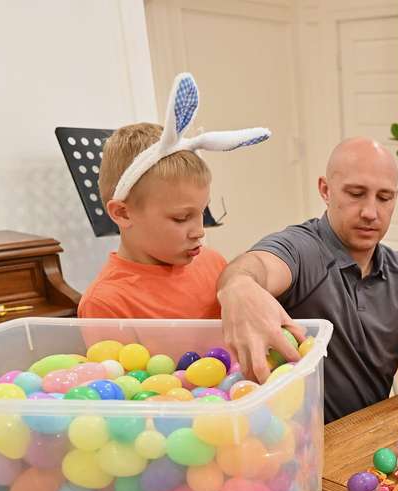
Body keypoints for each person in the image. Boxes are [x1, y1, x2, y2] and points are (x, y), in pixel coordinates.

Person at [218, 137, 398, 422]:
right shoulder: (302, 249)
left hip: (364, 441)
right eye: (356, 193)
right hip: (296, 444)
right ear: (325, 190)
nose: (370, 212)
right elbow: (254, 266)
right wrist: (239, 285)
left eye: (384, 197)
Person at [79, 73, 269, 319]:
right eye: (181, 218)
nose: (199, 231)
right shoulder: (105, 304)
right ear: (123, 213)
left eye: (202, 212)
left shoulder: (213, 264)